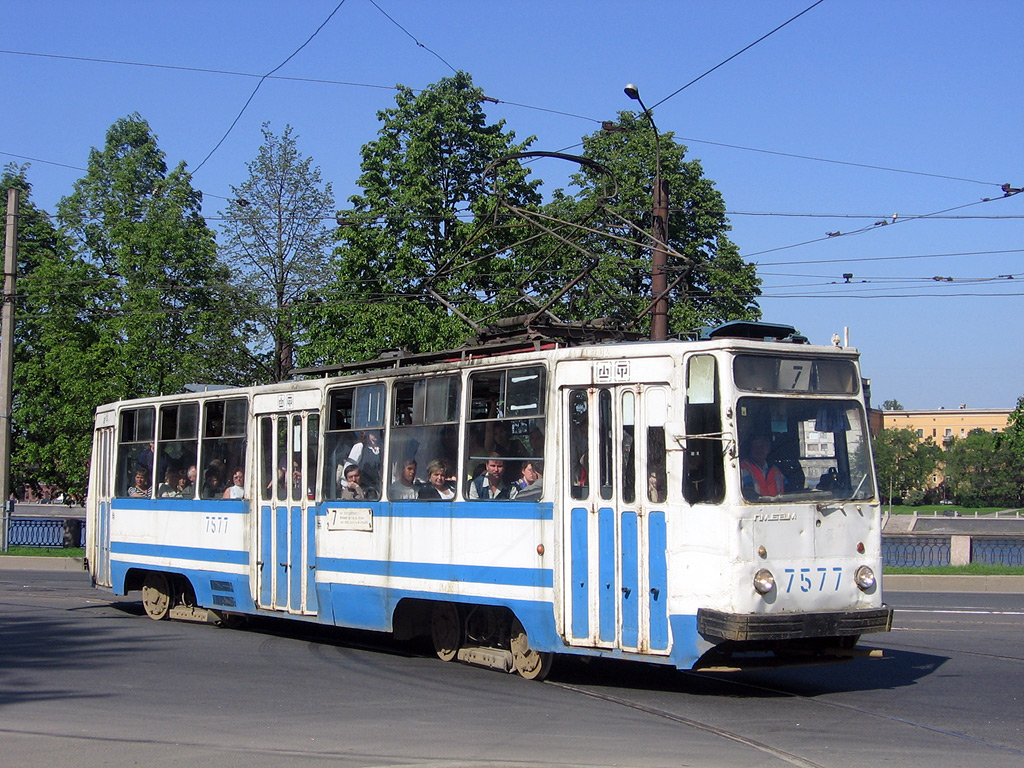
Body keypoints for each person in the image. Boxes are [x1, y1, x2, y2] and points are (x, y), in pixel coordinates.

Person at [740, 435, 788, 500]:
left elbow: (788, 490)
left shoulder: (775, 470)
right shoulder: (744, 468)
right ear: (750, 449)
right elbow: (748, 494)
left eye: (762, 446)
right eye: (755, 447)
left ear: (768, 449)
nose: (758, 450)